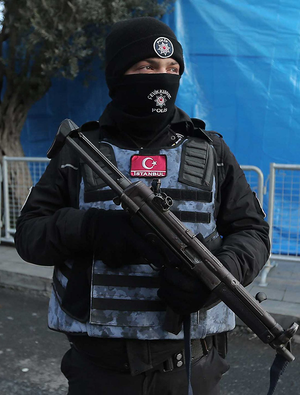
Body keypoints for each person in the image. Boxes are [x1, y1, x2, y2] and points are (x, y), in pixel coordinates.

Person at [14, 18, 270, 395]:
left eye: (172, 69)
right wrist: (92, 229)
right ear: (119, 74)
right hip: (100, 368)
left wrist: (219, 275)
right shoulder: (80, 150)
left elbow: (252, 232)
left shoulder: (211, 151)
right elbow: (29, 234)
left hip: (192, 366)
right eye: (147, 67)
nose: (161, 78)